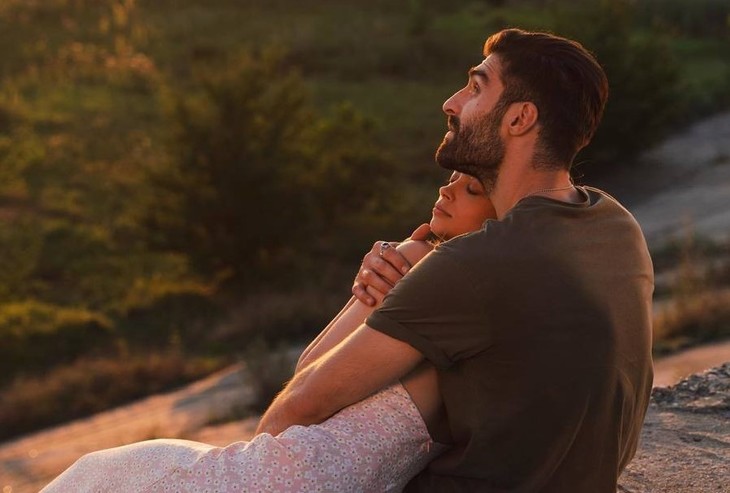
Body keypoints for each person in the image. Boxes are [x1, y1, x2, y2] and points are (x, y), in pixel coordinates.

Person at [257, 28, 654, 492]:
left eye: (476, 87)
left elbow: (289, 417)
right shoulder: (614, 224)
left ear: (520, 118)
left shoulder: (477, 264)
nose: (451, 102)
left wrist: (397, 280)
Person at [41, 172, 496, 492]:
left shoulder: (435, 273)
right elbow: (305, 380)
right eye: (454, 177)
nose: (447, 188)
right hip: (266, 478)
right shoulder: (426, 266)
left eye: (470, 187)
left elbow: (302, 391)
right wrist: (372, 291)